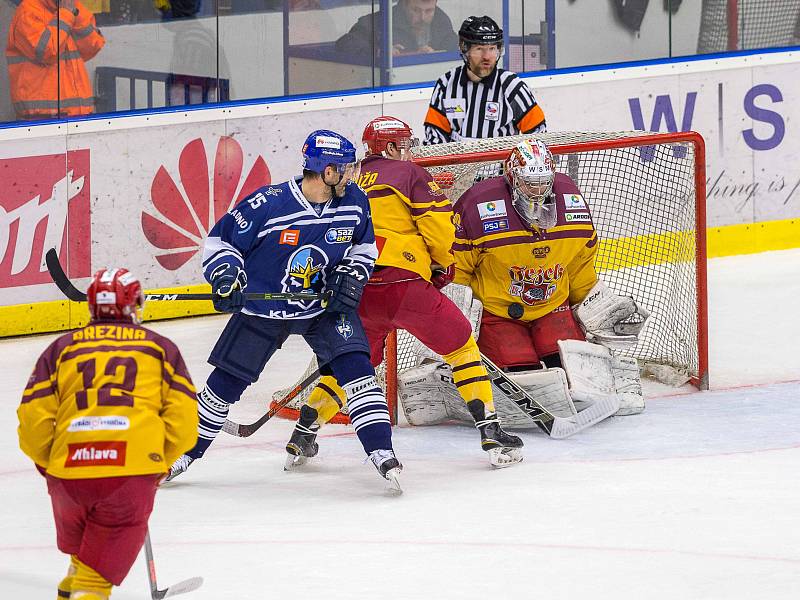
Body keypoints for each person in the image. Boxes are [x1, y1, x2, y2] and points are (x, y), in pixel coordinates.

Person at [166, 129, 403, 492]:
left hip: (323, 307)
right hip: (264, 310)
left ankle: (381, 451)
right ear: (326, 172)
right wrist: (227, 274)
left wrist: (352, 275)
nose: (352, 174)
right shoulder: (269, 204)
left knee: (358, 370)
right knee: (224, 386)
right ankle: (183, 453)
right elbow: (220, 242)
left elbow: (363, 247)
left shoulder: (354, 199)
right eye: (345, 168)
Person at [283, 116, 524, 469]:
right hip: (404, 282)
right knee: (461, 347)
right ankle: (491, 430)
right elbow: (439, 227)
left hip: (356, 288)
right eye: (405, 144)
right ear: (392, 147)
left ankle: (304, 431)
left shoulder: (343, 177)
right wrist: (442, 264)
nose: (409, 151)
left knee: (353, 362)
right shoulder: (409, 174)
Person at [17, 267, 198, 600]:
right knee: (93, 584)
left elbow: (32, 422)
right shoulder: (159, 349)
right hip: (129, 477)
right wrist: (157, 464)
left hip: (68, 478)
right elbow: (185, 425)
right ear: (133, 306)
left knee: (82, 566)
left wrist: (56, 467)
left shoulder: (60, 349)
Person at [450, 138, 648, 416]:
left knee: (576, 370)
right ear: (512, 178)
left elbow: (580, 263)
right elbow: (456, 269)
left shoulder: (572, 204)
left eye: (544, 182)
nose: (537, 189)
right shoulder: (479, 205)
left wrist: (596, 306)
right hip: (499, 312)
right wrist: (456, 317)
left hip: (553, 306)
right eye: (530, 182)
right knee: (524, 377)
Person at [424, 15, 546, 144]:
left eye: (492, 49)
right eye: (479, 49)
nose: (487, 57)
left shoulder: (512, 87)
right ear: (465, 49)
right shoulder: (446, 84)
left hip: (500, 163)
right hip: (458, 163)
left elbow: (538, 135)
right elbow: (435, 139)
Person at [6, 0, 105, 120]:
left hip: (80, 114)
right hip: (42, 119)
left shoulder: (71, 6)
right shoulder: (28, 11)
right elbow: (46, 51)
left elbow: (93, 45)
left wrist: (73, 12)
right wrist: (66, 14)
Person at [335, 0, 458, 57]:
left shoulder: (441, 22)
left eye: (429, 11)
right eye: (416, 10)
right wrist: (379, 51)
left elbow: (454, 44)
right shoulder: (379, 22)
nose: (423, 17)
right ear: (403, 4)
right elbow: (345, 43)